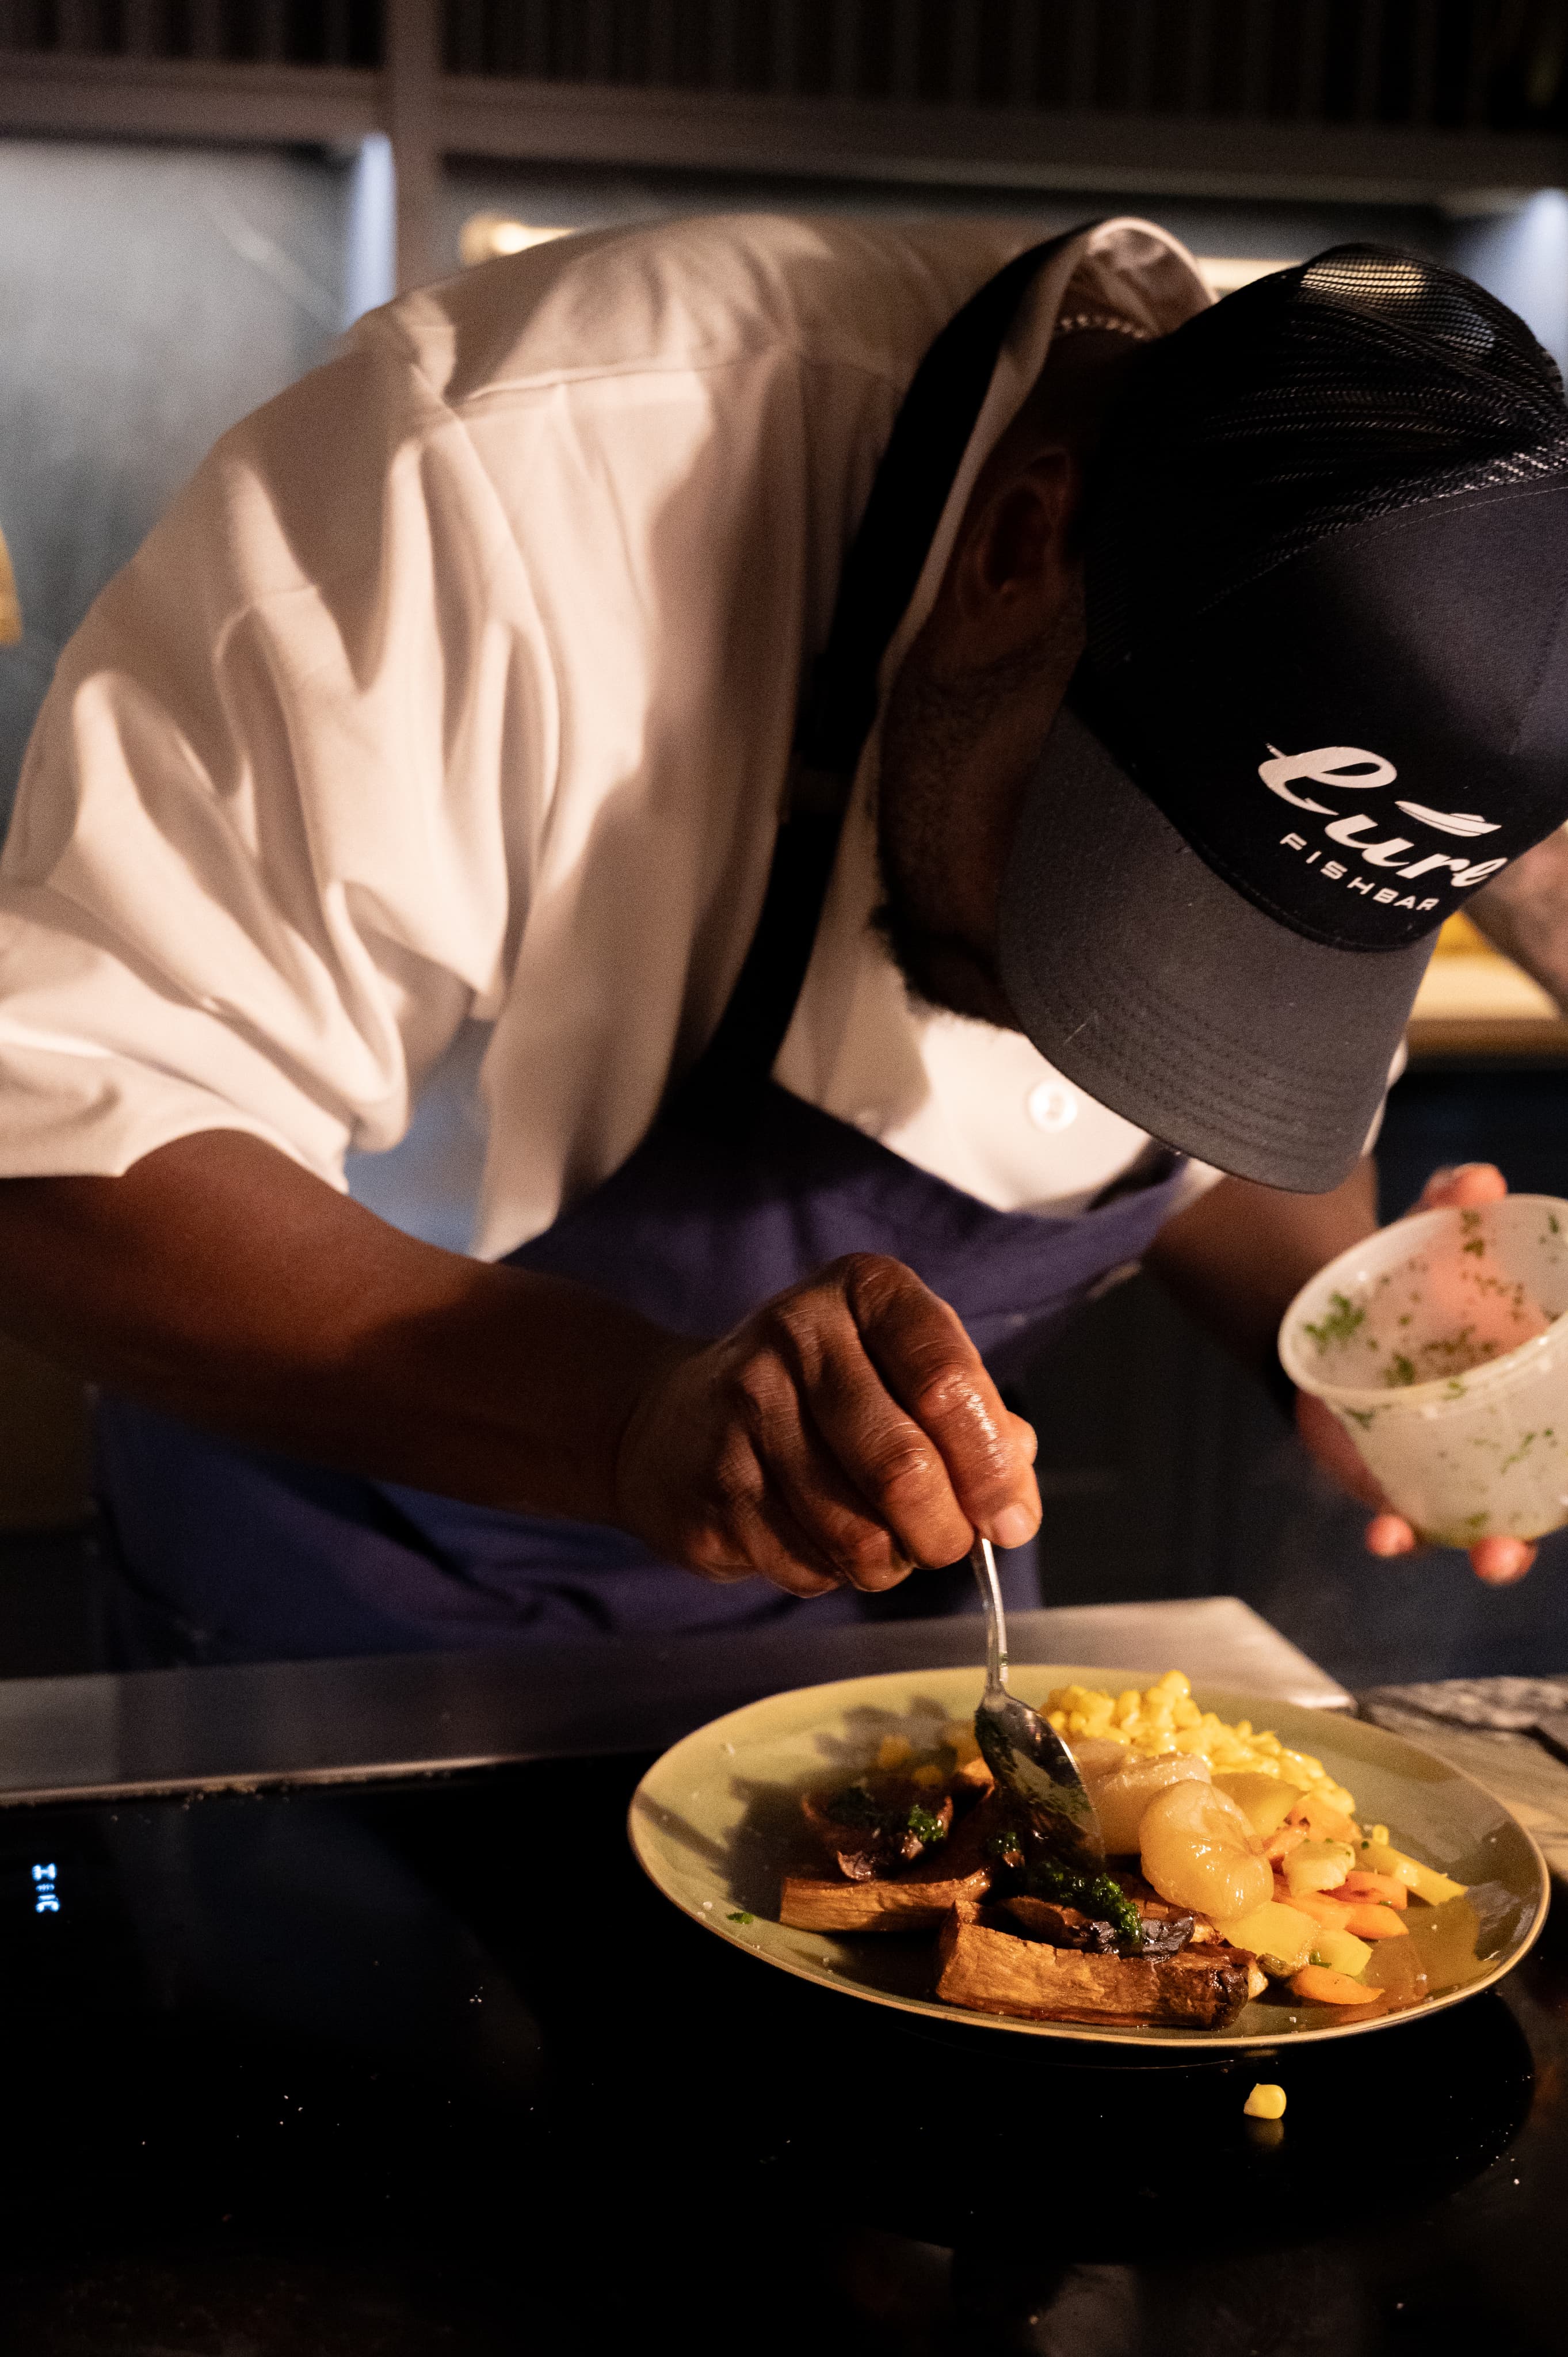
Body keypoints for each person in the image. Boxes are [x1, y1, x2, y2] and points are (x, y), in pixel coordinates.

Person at [0, 213, 1563, 1664]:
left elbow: (1202, 1156)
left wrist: (1365, 1332)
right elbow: (58, 1148)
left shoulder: (1388, 671)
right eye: (1107, 891)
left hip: (880, 1649)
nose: (1080, 1030)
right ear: (1020, 545)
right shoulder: (501, 492)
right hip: (355, 1627)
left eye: (1254, 964)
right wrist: (625, 1423)